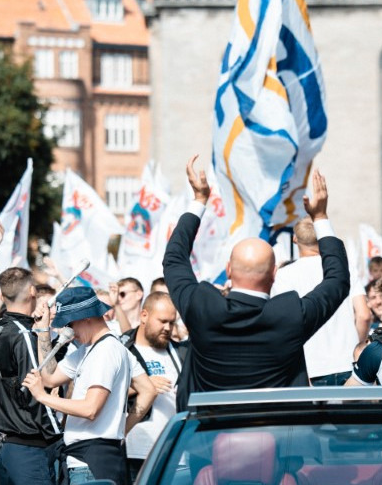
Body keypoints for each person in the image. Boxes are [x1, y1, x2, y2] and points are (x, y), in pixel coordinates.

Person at [163, 157, 349, 409]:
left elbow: (174, 259)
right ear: (274, 274)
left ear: (228, 270)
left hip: (207, 437)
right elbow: (337, 281)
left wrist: (199, 200)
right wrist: (320, 216)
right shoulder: (290, 315)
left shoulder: (203, 307)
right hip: (276, 435)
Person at [24, 286, 132, 485]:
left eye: (70, 324)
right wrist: (42, 330)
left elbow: (90, 409)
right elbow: (49, 377)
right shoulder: (89, 350)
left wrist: (43, 397)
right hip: (84, 460)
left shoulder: (106, 350)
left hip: (93, 462)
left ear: (86, 317)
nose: (69, 332)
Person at [0, 267, 63, 485]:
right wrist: (58, 436)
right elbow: (35, 386)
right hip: (28, 446)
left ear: (1, 296)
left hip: (5, 443)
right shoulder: (23, 333)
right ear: (32, 291)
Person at [269, 217, 364, 386]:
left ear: (295, 239)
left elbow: (283, 324)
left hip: (310, 365)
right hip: (348, 361)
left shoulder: (283, 276)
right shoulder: (345, 268)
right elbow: (364, 315)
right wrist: (358, 349)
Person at [122, 293, 189, 480]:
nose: (167, 328)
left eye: (171, 322)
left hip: (177, 453)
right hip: (136, 452)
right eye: (162, 321)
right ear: (144, 315)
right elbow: (104, 393)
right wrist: (143, 386)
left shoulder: (181, 352)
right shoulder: (123, 350)